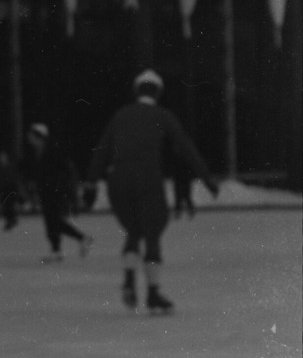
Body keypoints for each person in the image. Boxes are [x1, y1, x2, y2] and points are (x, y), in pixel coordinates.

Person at [86, 69, 218, 314]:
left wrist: (91, 183)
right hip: (147, 177)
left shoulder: (120, 115)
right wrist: (207, 180)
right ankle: (154, 293)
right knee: (152, 231)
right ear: (158, 92)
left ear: (137, 91)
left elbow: (102, 150)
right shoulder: (162, 115)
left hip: (119, 179)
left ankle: (128, 280)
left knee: (134, 229)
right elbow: (186, 147)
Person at [22, 121, 91, 263]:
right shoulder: (37, 152)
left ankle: (62, 247)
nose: (29, 138)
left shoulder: (52, 151)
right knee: (53, 221)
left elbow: (67, 170)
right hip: (48, 192)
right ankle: (64, 246)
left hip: (56, 192)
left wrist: (65, 188)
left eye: (32, 135)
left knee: (53, 221)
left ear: (39, 136)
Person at [0, 149, 24, 231]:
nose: (2, 158)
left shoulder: (10, 167)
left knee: (9, 204)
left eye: (4, 157)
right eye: (1, 157)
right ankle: (10, 220)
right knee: (5, 206)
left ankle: (11, 220)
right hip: (2, 190)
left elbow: (15, 179)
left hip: (11, 190)